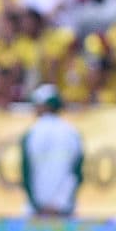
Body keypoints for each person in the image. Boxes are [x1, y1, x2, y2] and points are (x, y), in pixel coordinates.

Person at [20, 84, 84, 216]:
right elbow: (76, 173)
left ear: (45, 106)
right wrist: (60, 202)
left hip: (36, 209)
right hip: (64, 207)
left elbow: (26, 172)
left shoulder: (31, 133)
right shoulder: (72, 133)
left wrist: (36, 205)